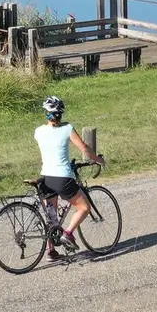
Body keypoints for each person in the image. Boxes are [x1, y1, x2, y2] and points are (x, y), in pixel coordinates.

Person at [33, 95, 104, 256]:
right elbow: (84, 147)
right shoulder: (67, 129)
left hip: (46, 178)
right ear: (61, 113)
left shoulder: (38, 131)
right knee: (84, 207)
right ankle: (68, 233)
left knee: (52, 216)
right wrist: (98, 159)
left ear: (46, 113)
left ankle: (51, 251)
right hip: (62, 177)